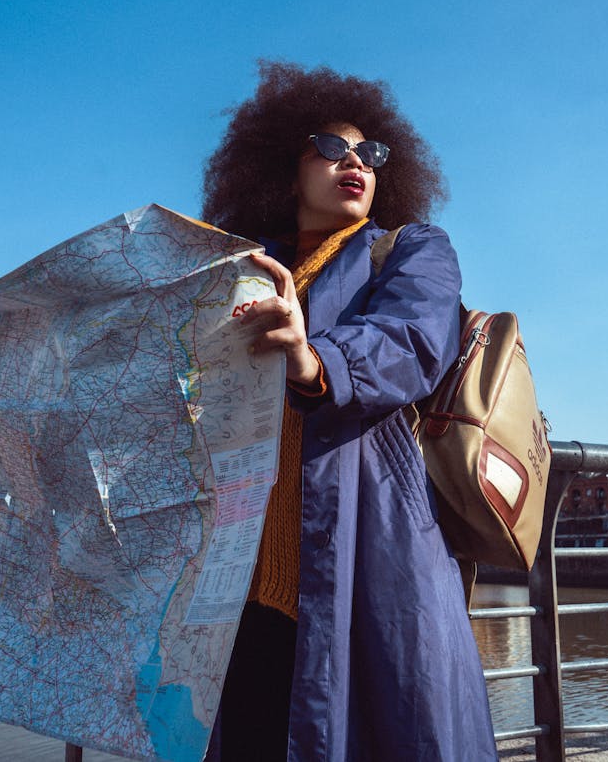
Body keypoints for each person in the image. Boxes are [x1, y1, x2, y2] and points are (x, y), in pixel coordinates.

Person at [201, 61, 497, 762]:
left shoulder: (413, 251)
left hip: (370, 569)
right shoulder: (234, 271)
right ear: (284, 167)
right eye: (331, 147)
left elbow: (414, 340)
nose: (355, 161)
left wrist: (315, 361)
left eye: (371, 152)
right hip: (242, 599)